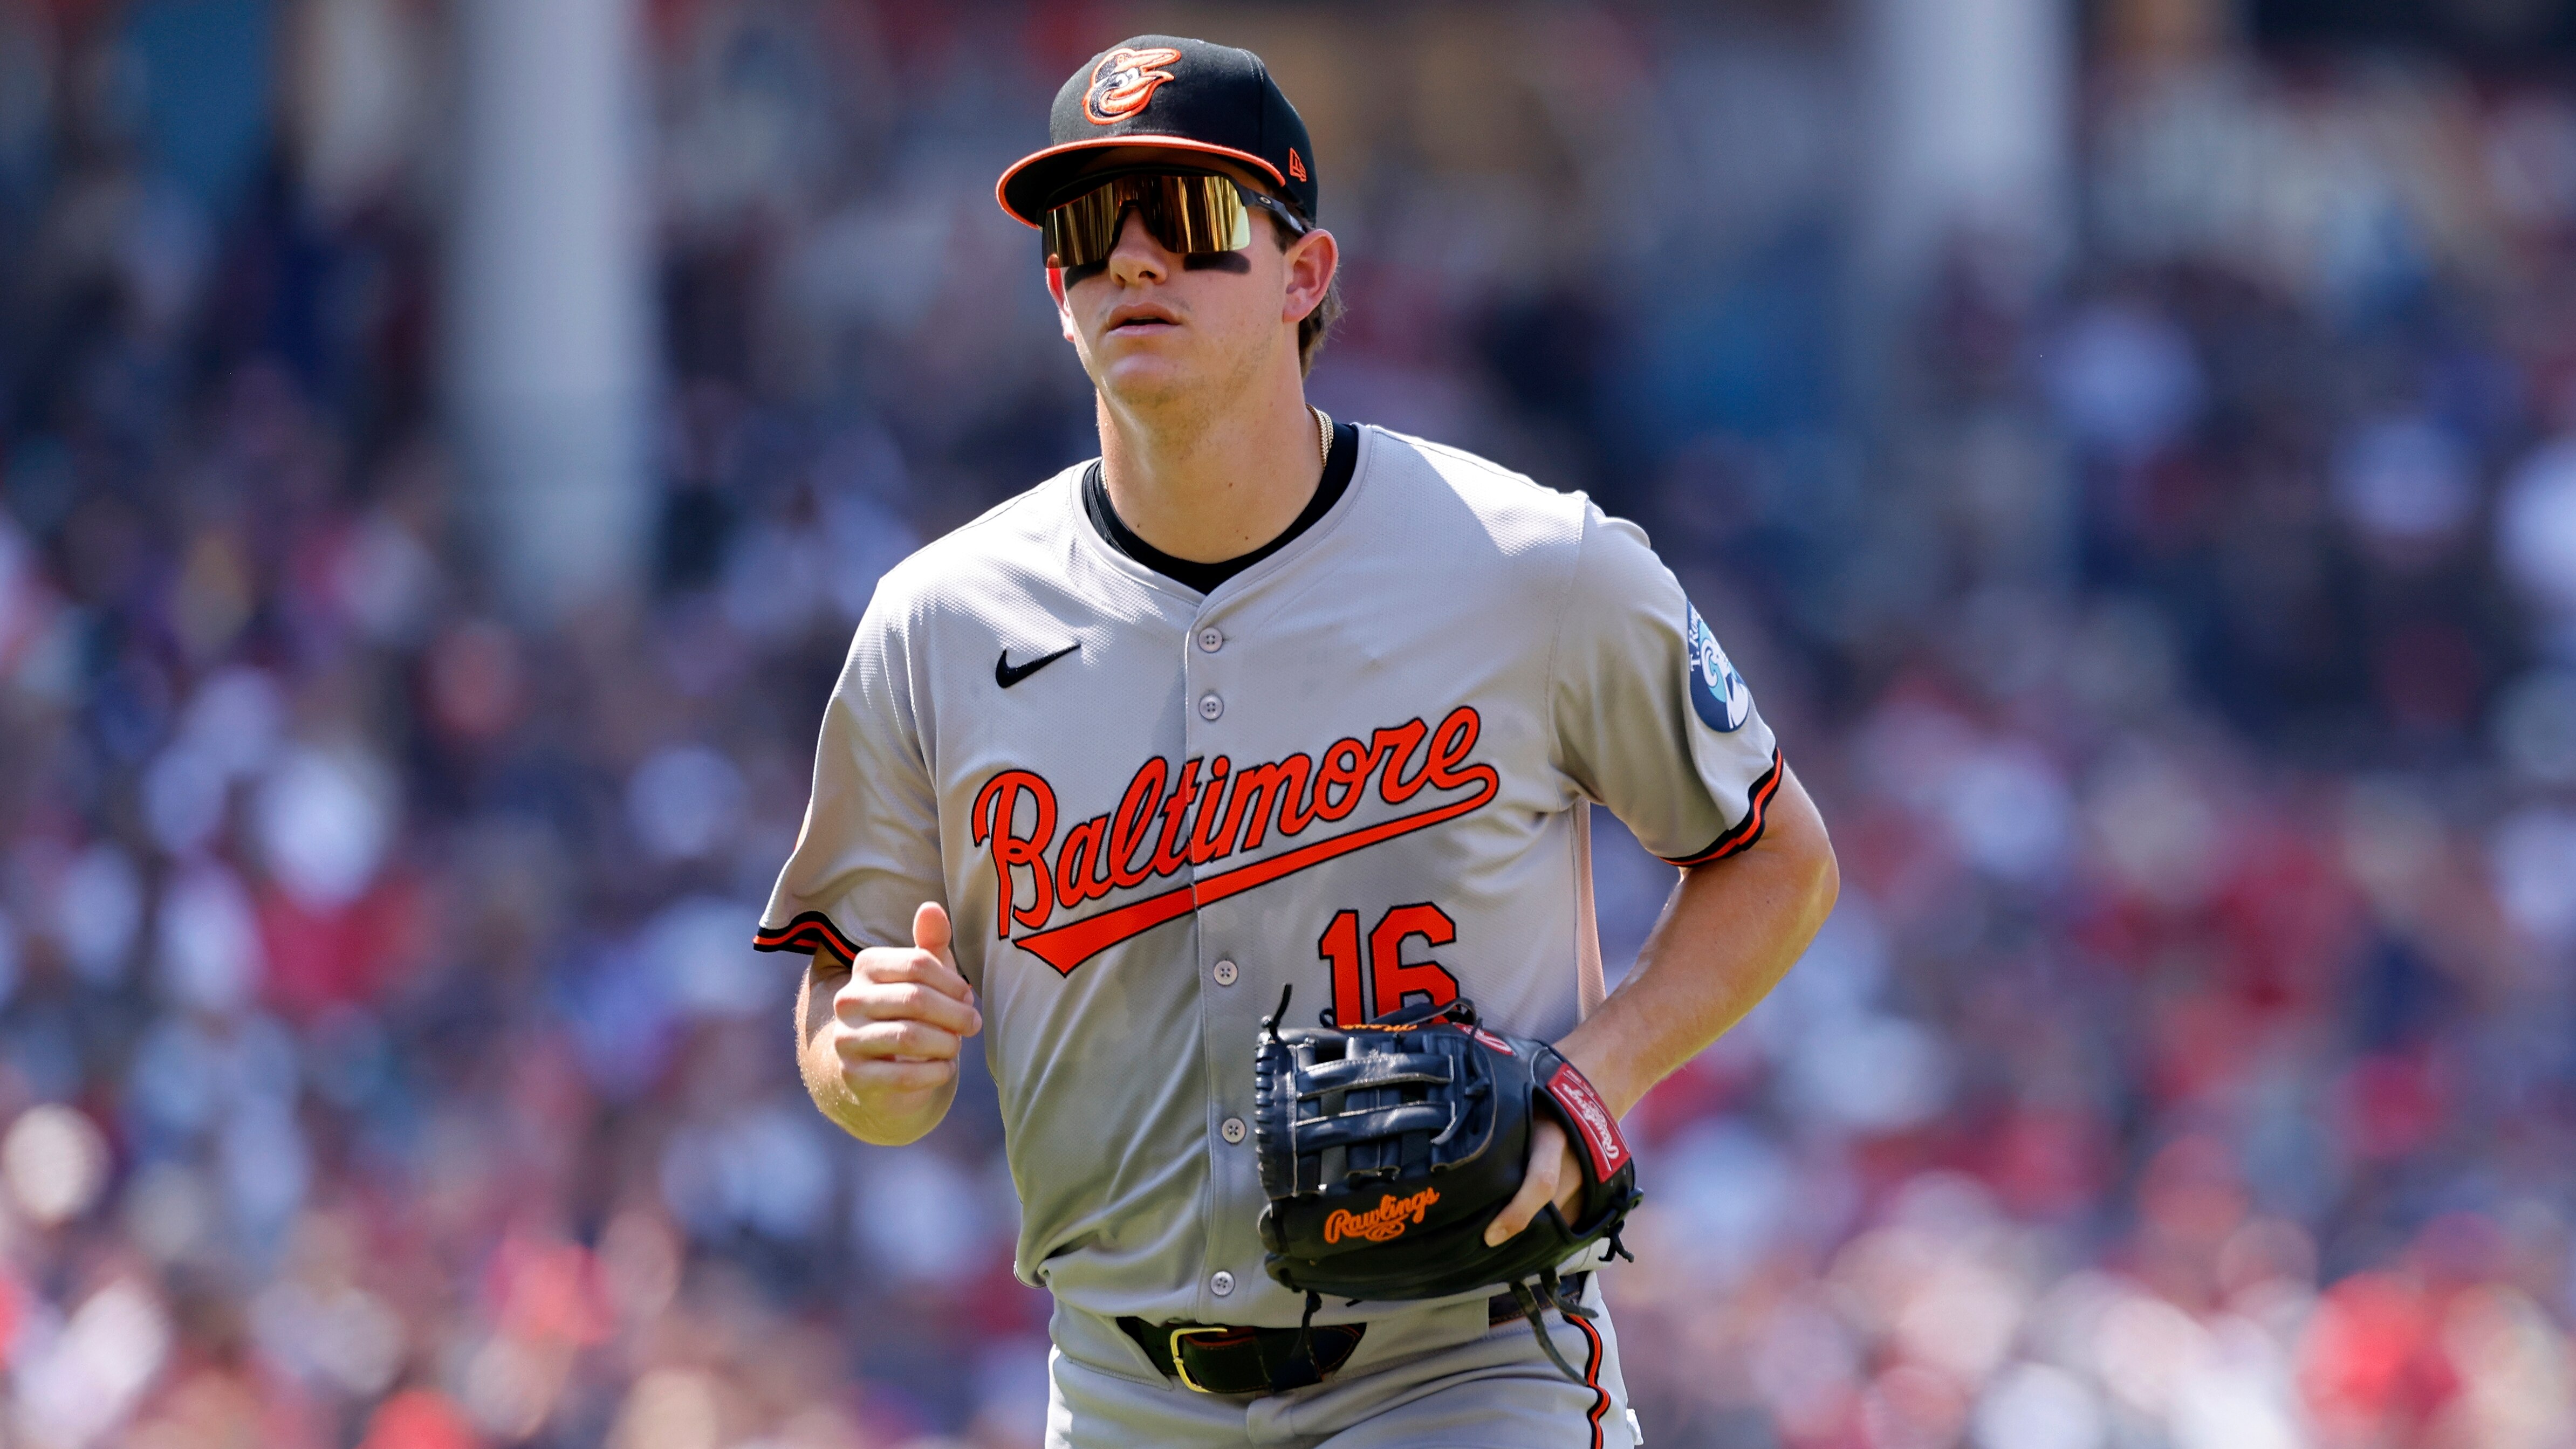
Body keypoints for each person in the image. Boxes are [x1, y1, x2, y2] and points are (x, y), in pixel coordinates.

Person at [759, 35, 1839, 1449]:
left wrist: (1596, 1080)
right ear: (1056, 291)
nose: (1135, 262)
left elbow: (1778, 862)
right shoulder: (937, 625)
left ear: (1305, 276)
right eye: (1093, 231)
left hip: (1465, 1363)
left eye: (1193, 222)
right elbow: (847, 1028)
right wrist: (861, 1063)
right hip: (1121, 1390)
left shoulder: (1531, 563)